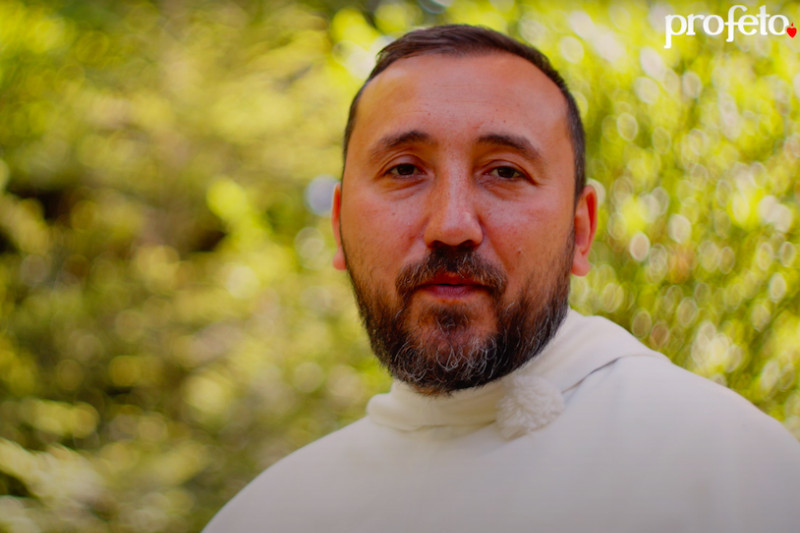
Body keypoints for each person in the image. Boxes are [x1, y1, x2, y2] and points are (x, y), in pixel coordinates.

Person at [203, 24, 800, 532]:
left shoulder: (732, 473)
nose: (451, 225)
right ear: (337, 225)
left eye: (506, 172)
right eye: (404, 169)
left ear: (581, 231)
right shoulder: (269, 515)